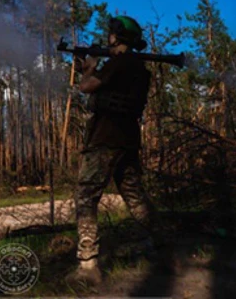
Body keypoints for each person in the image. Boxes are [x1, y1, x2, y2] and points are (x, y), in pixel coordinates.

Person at [66, 15, 167, 287]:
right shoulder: (138, 69)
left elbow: (86, 87)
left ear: (117, 36)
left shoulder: (118, 64)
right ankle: (164, 248)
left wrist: (89, 67)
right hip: (128, 140)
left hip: (105, 139)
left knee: (86, 197)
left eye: (111, 34)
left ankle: (88, 266)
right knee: (135, 198)